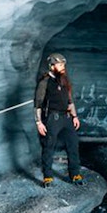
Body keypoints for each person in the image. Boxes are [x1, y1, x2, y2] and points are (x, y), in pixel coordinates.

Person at [34, 52, 82, 186]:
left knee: (73, 145)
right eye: (60, 65)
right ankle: (48, 177)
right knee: (49, 147)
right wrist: (39, 122)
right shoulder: (45, 82)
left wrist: (74, 116)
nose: (62, 67)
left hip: (66, 118)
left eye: (63, 65)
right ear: (52, 66)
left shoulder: (64, 80)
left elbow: (70, 101)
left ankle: (75, 174)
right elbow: (37, 103)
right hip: (52, 119)